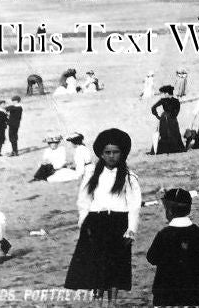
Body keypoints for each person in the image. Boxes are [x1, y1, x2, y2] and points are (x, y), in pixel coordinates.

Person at [64, 129, 142, 303]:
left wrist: (131, 229)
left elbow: (134, 205)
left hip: (118, 224)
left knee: (115, 264)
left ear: (122, 154)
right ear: (101, 153)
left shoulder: (129, 177)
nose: (111, 156)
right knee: (97, 263)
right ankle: (98, 301)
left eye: (116, 152)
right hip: (96, 223)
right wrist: (84, 223)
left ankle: (112, 302)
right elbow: (83, 201)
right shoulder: (92, 174)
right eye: (107, 152)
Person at [146, 188, 199, 306]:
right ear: (189, 209)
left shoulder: (164, 234)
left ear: (169, 211)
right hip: (192, 293)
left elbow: (151, 258)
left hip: (165, 294)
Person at [150, 85, 185, 154]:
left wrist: (157, 116)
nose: (163, 95)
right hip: (172, 119)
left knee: (163, 134)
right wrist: (173, 116)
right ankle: (175, 148)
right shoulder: (176, 101)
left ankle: (163, 149)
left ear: (167, 93)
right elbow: (177, 111)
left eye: (164, 93)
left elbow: (153, 108)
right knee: (174, 133)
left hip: (164, 118)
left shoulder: (163, 100)